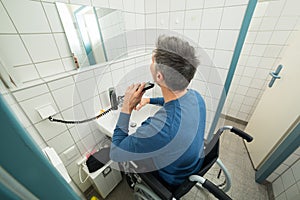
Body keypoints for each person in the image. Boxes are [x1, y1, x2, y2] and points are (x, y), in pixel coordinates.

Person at [110, 35, 206, 189]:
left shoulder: (159, 128)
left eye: (152, 61)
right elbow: (173, 102)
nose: (151, 63)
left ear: (159, 77)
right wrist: (149, 100)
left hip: (171, 179)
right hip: (192, 164)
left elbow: (115, 152)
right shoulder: (196, 96)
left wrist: (126, 107)